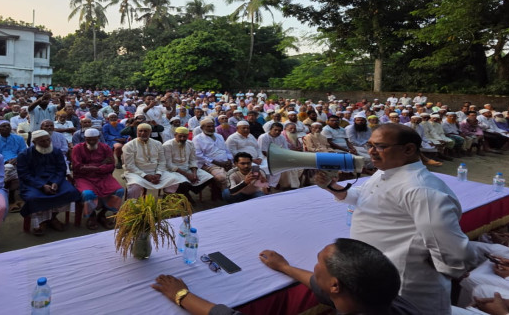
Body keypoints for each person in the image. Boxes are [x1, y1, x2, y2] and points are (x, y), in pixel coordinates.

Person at [315, 123, 476, 314]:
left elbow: (455, 252)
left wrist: (445, 268)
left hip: (408, 286)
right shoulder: (385, 171)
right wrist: (332, 186)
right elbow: (362, 196)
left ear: (408, 149)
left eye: (380, 146)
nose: (371, 151)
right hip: (379, 277)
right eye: (370, 145)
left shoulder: (421, 190)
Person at [152, 238, 418, 315]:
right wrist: (285, 268)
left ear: (335, 285)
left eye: (319, 263)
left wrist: (181, 295)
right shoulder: (381, 297)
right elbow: (319, 285)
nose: (314, 267)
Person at [17, 130, 80, 236]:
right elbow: (24, 175)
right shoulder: (24, 155)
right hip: (33, 183)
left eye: (48, 140)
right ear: (34, 142)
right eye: (42, 141)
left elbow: (61, 169)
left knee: (71, 192)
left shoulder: (56, 151)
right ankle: (43, 221)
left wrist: (55, 182)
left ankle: (52, 218)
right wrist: (42, 186)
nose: (46, 143)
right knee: (33, 198)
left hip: (55, 180)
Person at [70, 128, 123, 230]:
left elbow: (111, 165)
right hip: (83, 177)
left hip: (103, 176)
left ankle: (102, 214)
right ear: (85, 138)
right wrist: (100, 165)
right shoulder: (77, 148)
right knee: (87, 194)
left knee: (119, 190)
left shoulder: (105, 147)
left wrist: (92, 167)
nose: (91, 141)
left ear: (98, 138)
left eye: (94, 139)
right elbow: (77, 167)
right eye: (88, 139)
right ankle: (92, 215)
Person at [122, 123, 183, 198]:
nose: (143, 133)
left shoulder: (157, 144)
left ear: (150, 132)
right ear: (137, 132)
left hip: (155, 172)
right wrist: (145, 176)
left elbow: (162, 161)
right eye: (140, 131)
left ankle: (167, 200)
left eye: (145, 131)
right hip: (136, 173)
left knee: (174, 179)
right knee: (135, 186)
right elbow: (129, 165)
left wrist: (158, 174)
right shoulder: (129, 145)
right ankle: (134, 204)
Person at [162, 127, 213, 202]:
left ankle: (186, 192)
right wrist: (187, 175)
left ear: (187, 136)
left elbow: (193, 160)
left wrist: (194, 174)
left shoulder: (190, 143)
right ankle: (186, 196)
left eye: (184, 136)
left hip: (188, 168)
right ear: (175, 135)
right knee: (184, 183)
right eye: (180, 136)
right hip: (172, 170)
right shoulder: (167, 145)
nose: (182, 138)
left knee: (209, 178)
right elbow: (168, 164)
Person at [193, 118, 233, 187]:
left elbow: (227, 150)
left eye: (212, 126)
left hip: (226, 162)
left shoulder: (219, 136)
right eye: (208, 126)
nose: (211, 128)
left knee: (241, 172)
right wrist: (218, 163)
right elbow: (199, 156)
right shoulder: (197, 139)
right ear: (202, 128)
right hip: (210, 165)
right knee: (222, 177)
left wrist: (229, 160)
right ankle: (227, 192)